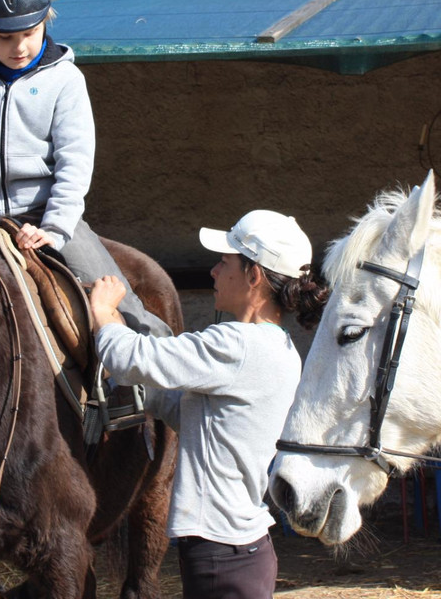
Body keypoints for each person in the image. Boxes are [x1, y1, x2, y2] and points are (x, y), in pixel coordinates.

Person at [89, 209, 330, 599]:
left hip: (221, 553)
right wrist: (144, 391)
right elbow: (197, 418)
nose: (214, 271)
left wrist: (104, 311)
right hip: (235, 549)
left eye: (224, 262)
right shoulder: (277, 348)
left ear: (254, 275)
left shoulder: (237, 345)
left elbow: (133, 357)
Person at [0, 0, 170, 337]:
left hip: (45, 217)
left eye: (29, 32)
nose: (19, 47)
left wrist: (54, 229)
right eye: (5, 37)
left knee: (127, 308)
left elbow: (75, 162)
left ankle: (160, 356)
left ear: (46, 19)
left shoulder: (66, 80)